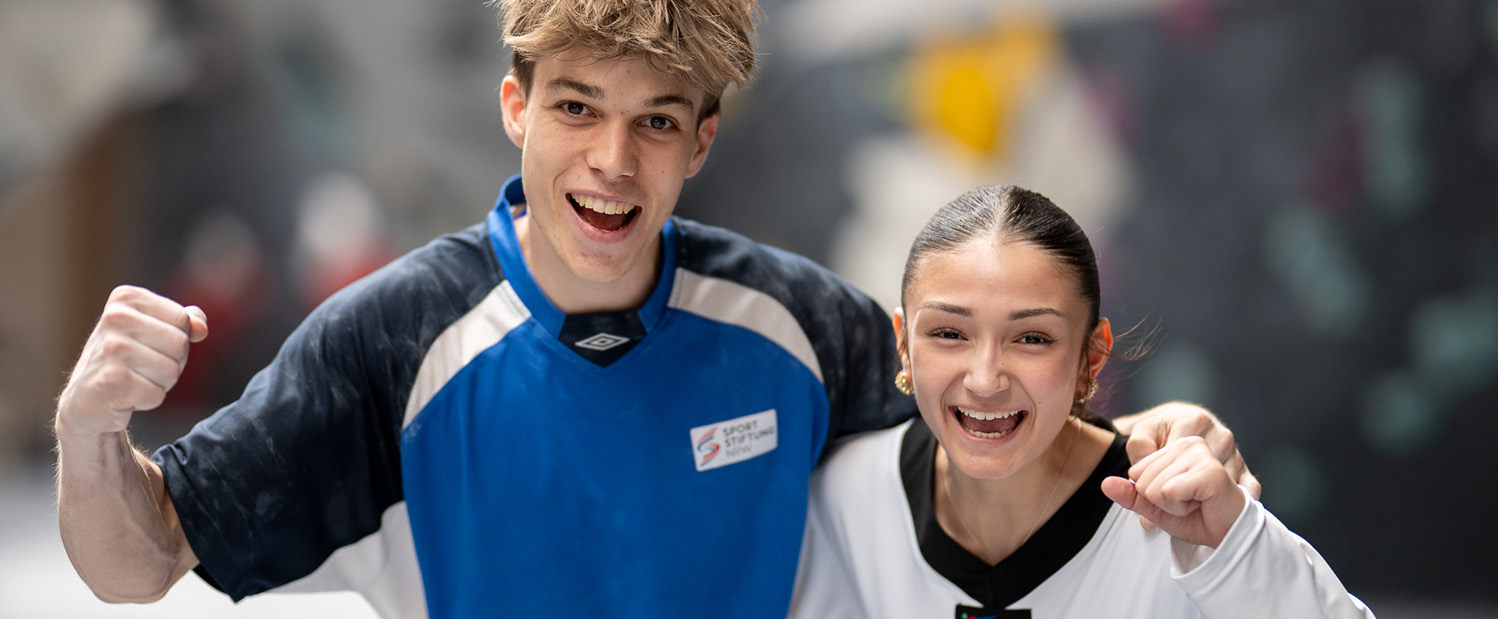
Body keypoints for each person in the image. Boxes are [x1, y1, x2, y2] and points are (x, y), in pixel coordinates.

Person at [52, 2, 1255, 617]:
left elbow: (993, 438)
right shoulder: (394, 337)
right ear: (517, 106)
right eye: (578, 109)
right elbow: (140, 561)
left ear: (701, 139)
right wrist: (91, 434)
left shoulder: (797, 323)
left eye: (655, 122)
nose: (612, 163)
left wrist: (1163, 432)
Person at [789, 185, 1373, 618]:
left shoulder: (1180, 520)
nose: (986, 378)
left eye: (1032, 338)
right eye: (949, 333)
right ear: (904, 346)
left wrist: (1236, 548)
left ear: (1092, 358)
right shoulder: (840, 497)